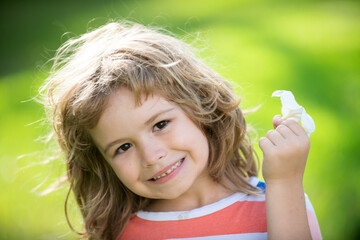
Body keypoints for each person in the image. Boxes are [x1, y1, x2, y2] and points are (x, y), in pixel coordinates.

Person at [40, 21, 322, 240]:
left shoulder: (281, 205)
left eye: (160, 125)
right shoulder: (123, 233)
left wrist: (285, 184)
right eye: (123, 147)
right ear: (102, 163)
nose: (151, 156)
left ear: (202, 107)